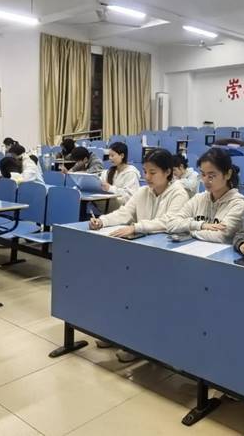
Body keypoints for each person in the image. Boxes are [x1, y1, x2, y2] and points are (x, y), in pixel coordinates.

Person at [89, 148, 190, 363]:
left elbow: (168, 222)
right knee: (117, 287)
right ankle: (115, 334)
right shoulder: (144, 192)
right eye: (145, 171)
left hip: (165, 258)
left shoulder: (179, 193)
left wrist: (136, 227)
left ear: (168, 172)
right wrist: (102, 221)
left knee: (142, 295)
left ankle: (136, 344)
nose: (147, 177)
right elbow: (124, 213)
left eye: (153, 172)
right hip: (141, 253)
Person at [167, 147, 244, 244]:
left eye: (211, 176)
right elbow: (171, 224)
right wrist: (201, 225)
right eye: (203, 174)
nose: (205, 180)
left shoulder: (238, 204)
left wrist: (188, 232)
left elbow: (221, 236)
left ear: (227, 174)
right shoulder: (198, 199)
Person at [100, 142, 140, 208]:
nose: (110, 158)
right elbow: (101, 181)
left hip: (125, 208)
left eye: (112, 155)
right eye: (109, 156)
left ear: (122, 155)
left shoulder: (131, 173)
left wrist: (110, 188)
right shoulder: (109, 171)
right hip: (111, 205)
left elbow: (130, 196)